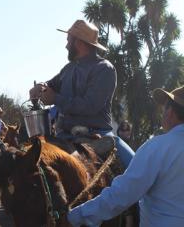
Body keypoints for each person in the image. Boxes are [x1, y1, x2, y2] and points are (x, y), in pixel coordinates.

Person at [67, 86, 184, 227]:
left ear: (170, 112)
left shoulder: (158, 147)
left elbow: (122, 194)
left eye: (164, 108)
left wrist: (74, 217)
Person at [29, 19, 134, 168]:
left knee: (136, 165)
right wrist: (40, 86)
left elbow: (90, 106)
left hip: (98, 135)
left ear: (78, 42)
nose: (66, 46)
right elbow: (50, 84)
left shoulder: (104, 69)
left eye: (68, 41)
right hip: (63, 136)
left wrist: (55, 98)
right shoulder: (68, 69)